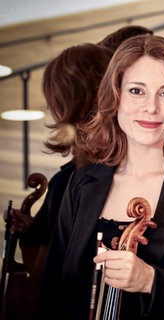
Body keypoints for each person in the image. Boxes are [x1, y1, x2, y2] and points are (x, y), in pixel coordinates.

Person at [36, 34, 164, 319]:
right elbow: (52, 295)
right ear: (115, 95)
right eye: (136, 90)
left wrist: (151, 281)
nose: (151, 107)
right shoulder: (83, 182)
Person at [3, 42, 114, 320]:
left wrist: (35, 236)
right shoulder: (77, 176)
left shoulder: (72, 181)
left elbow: (46, 270)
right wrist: (36, 226)